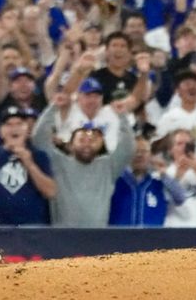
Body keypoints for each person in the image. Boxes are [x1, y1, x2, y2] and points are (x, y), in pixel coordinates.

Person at [31, 92, 134, 226]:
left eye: (92, 140)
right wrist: (53, 107)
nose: (87, 144)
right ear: (70, 144)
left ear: (100, 145)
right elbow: (39, 139)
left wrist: (122, 117)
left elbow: (128, 148)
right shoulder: (59, 162)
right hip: (62, 238)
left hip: (97, 239)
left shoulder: (108, 166)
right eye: (82, 140)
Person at [0, 103, 55, 225]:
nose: (14, 128)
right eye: (8, 124)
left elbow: (50, 192)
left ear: (28, 130)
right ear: (1, 131)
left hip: (31, 228)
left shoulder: (39, 155)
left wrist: (29, 163)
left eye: (19, 124)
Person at [109, 136, 186, 226]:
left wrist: (163, 174)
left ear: (150, 156)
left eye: (144, 151)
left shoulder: (159, 184)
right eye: (135, 151)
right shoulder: (115, 182)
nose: (139, 155)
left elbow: (180, 198)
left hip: (152, 239)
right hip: (118, 238)